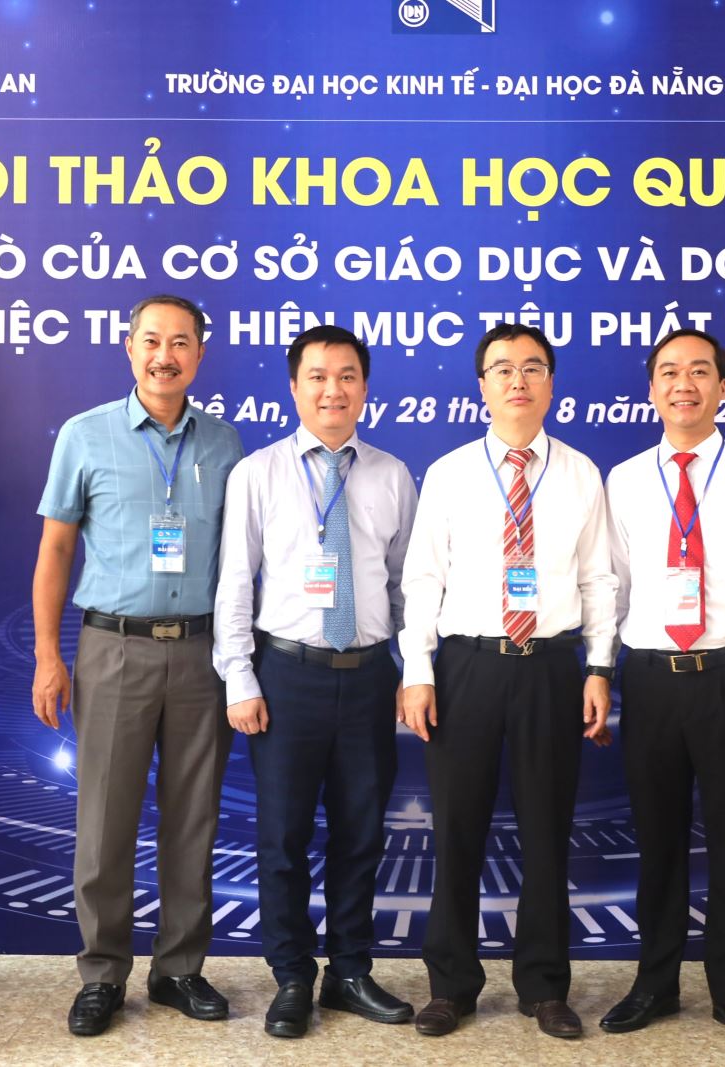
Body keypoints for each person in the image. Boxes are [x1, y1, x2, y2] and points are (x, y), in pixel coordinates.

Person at [32, 294, 244, 1037]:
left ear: (199, 354)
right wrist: (48, 655)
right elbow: (56, 549)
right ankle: (102, 974)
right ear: (129, 348)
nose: (165, 356)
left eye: (180, 342)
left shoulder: (225, 444)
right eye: (151, 340)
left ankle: (179, 968)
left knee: (194, 818)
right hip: (113, 648)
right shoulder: (84, 435)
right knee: (105, 818)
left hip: (202, 653)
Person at [398, 323, 616, 1040]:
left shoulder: (581, 474)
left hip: (551, 667)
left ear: (551, 383)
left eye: (531, 368)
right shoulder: (450, 472)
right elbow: (422, 579)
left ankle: (545, 987)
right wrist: (419, 670)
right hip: (467, 667)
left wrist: (598, 666)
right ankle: (451, 986)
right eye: (502, 369)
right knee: (457, 829)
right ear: (482, 387)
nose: (517, 380)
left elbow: (598, 580)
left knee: (547, 831)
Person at [599, 329, 725, 1050]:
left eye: (698, 371)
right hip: (651, 679)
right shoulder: (625, 479)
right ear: (651, 390)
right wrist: (600, 670)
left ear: (723, 387)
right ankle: (654, 983)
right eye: (668, 372)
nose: (682, 384)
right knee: (656, 841)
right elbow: (612, 588)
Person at [214, 324, 419, 1038]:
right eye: (318, 377)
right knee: (284, 837)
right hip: (286, 675)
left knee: (362, 833)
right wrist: (239, 676)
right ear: (294, 388)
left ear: (364, 388)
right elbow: (234, 582)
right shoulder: (259, 472)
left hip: (368, 677)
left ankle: (350, 971)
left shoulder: (392, 475)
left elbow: (406, 586)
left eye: (347, 376)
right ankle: (293, 976)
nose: (333, 390)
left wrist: (412, 671)